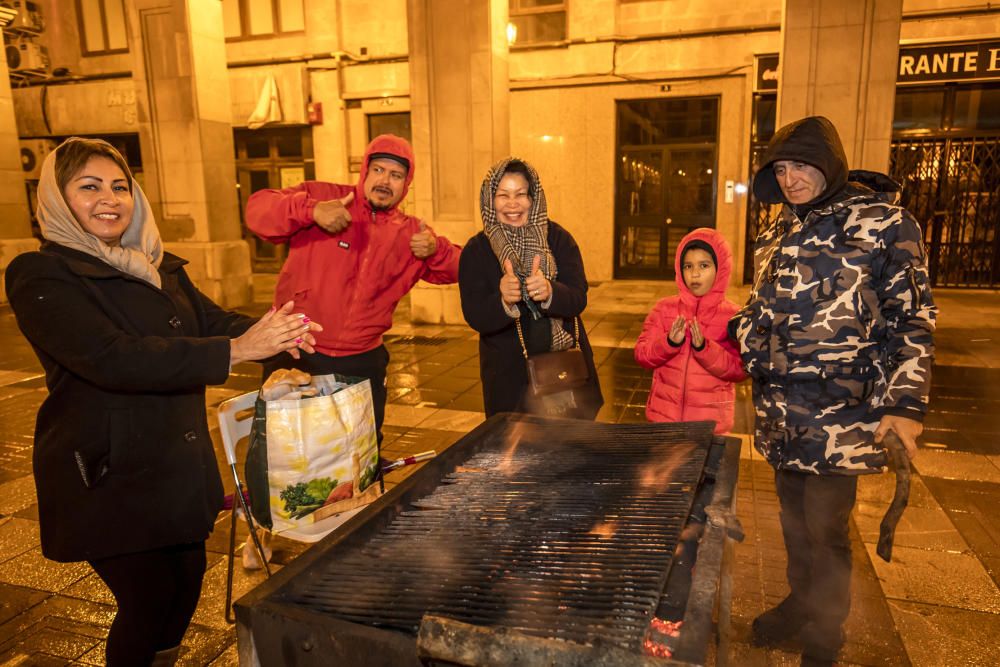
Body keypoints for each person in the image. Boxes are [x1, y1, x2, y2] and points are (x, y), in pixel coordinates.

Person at [4, 138, 324, 667]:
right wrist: (238, 350)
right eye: (88, 187)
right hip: (107, 472)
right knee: (147, 599)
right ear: (59, 199)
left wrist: (278, 335)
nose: (108, 199)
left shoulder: (157, 266)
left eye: (119, 187)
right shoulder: (41, 274)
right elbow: (114, 357)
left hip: (175, 464)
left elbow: (210, 322)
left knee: (183, 588)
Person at [732, 116, 936, 667]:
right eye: (781, 169)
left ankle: (825, 638)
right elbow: (760, 306)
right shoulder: (778, 228)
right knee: (793, 523)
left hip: (842, 413)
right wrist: (745, 333)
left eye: (802, 165)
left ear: (829, 163)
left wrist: (905, 405)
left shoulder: (884, 223)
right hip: (780, 411)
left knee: (827, 532)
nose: (792, 179)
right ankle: (802, 603)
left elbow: (912, 319)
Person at [246, 134, 460, 442]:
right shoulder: (323, 197)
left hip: (362, 361)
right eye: (378, 170)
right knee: (285, 449)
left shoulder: (412, 232)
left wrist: (434, 250)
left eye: (396, 175)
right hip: (297, 351)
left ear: (406, 185)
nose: (385, 180)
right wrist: (311, 211)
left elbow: (460, 267)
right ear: (364, 171)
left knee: (360, 451)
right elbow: (257, 211)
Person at [459, 157, 603, 418]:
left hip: (565, 371)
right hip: (509, 379)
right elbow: (475, 314)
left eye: (521, 194)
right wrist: (502, 301)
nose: (512, 204)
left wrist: (551, 292)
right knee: (513, 451)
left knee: (570, 449)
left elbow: (579, 297)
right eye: (503, 195)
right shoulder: (476, 250)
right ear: (490, 200)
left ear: (533, 198)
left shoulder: (558, 238)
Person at [634, 228, 746, 433]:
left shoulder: (734, 317)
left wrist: (705, 349)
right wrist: (669, 343)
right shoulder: (663, 309)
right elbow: (642, 354)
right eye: (688, 266)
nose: (695, 273)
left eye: (704, 265)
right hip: (663, 421)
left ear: (720, 269)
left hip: (709, 428)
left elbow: (741, 368)